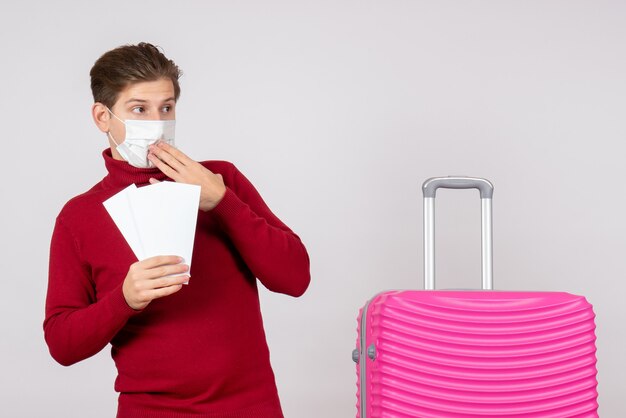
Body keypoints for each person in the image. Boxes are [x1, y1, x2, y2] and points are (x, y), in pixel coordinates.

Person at [43, 42, 310, 418]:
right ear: (102, 117)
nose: (156, 123)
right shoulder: (79, 217)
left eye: (166, 108)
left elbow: (295, 278)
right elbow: (62, 343)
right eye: (139, 109)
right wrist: (123, 300)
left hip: (250, 406)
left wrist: (223, 203)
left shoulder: (221, 179)